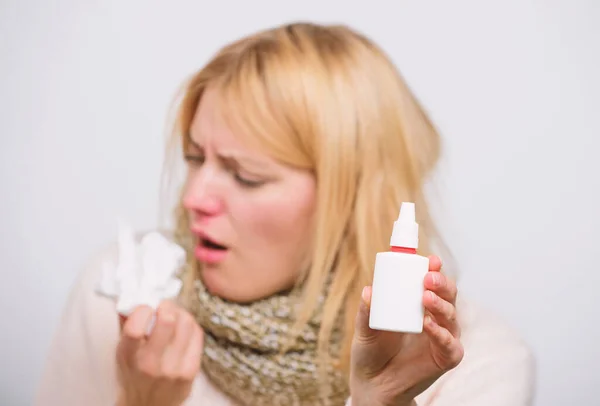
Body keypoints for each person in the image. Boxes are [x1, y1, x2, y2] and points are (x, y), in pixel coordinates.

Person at [35, 22, 535, 406]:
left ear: (350, 201)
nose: (193, 199)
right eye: (194, 159)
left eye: (245, 174)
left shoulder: (472, 365)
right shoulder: (118, 301)